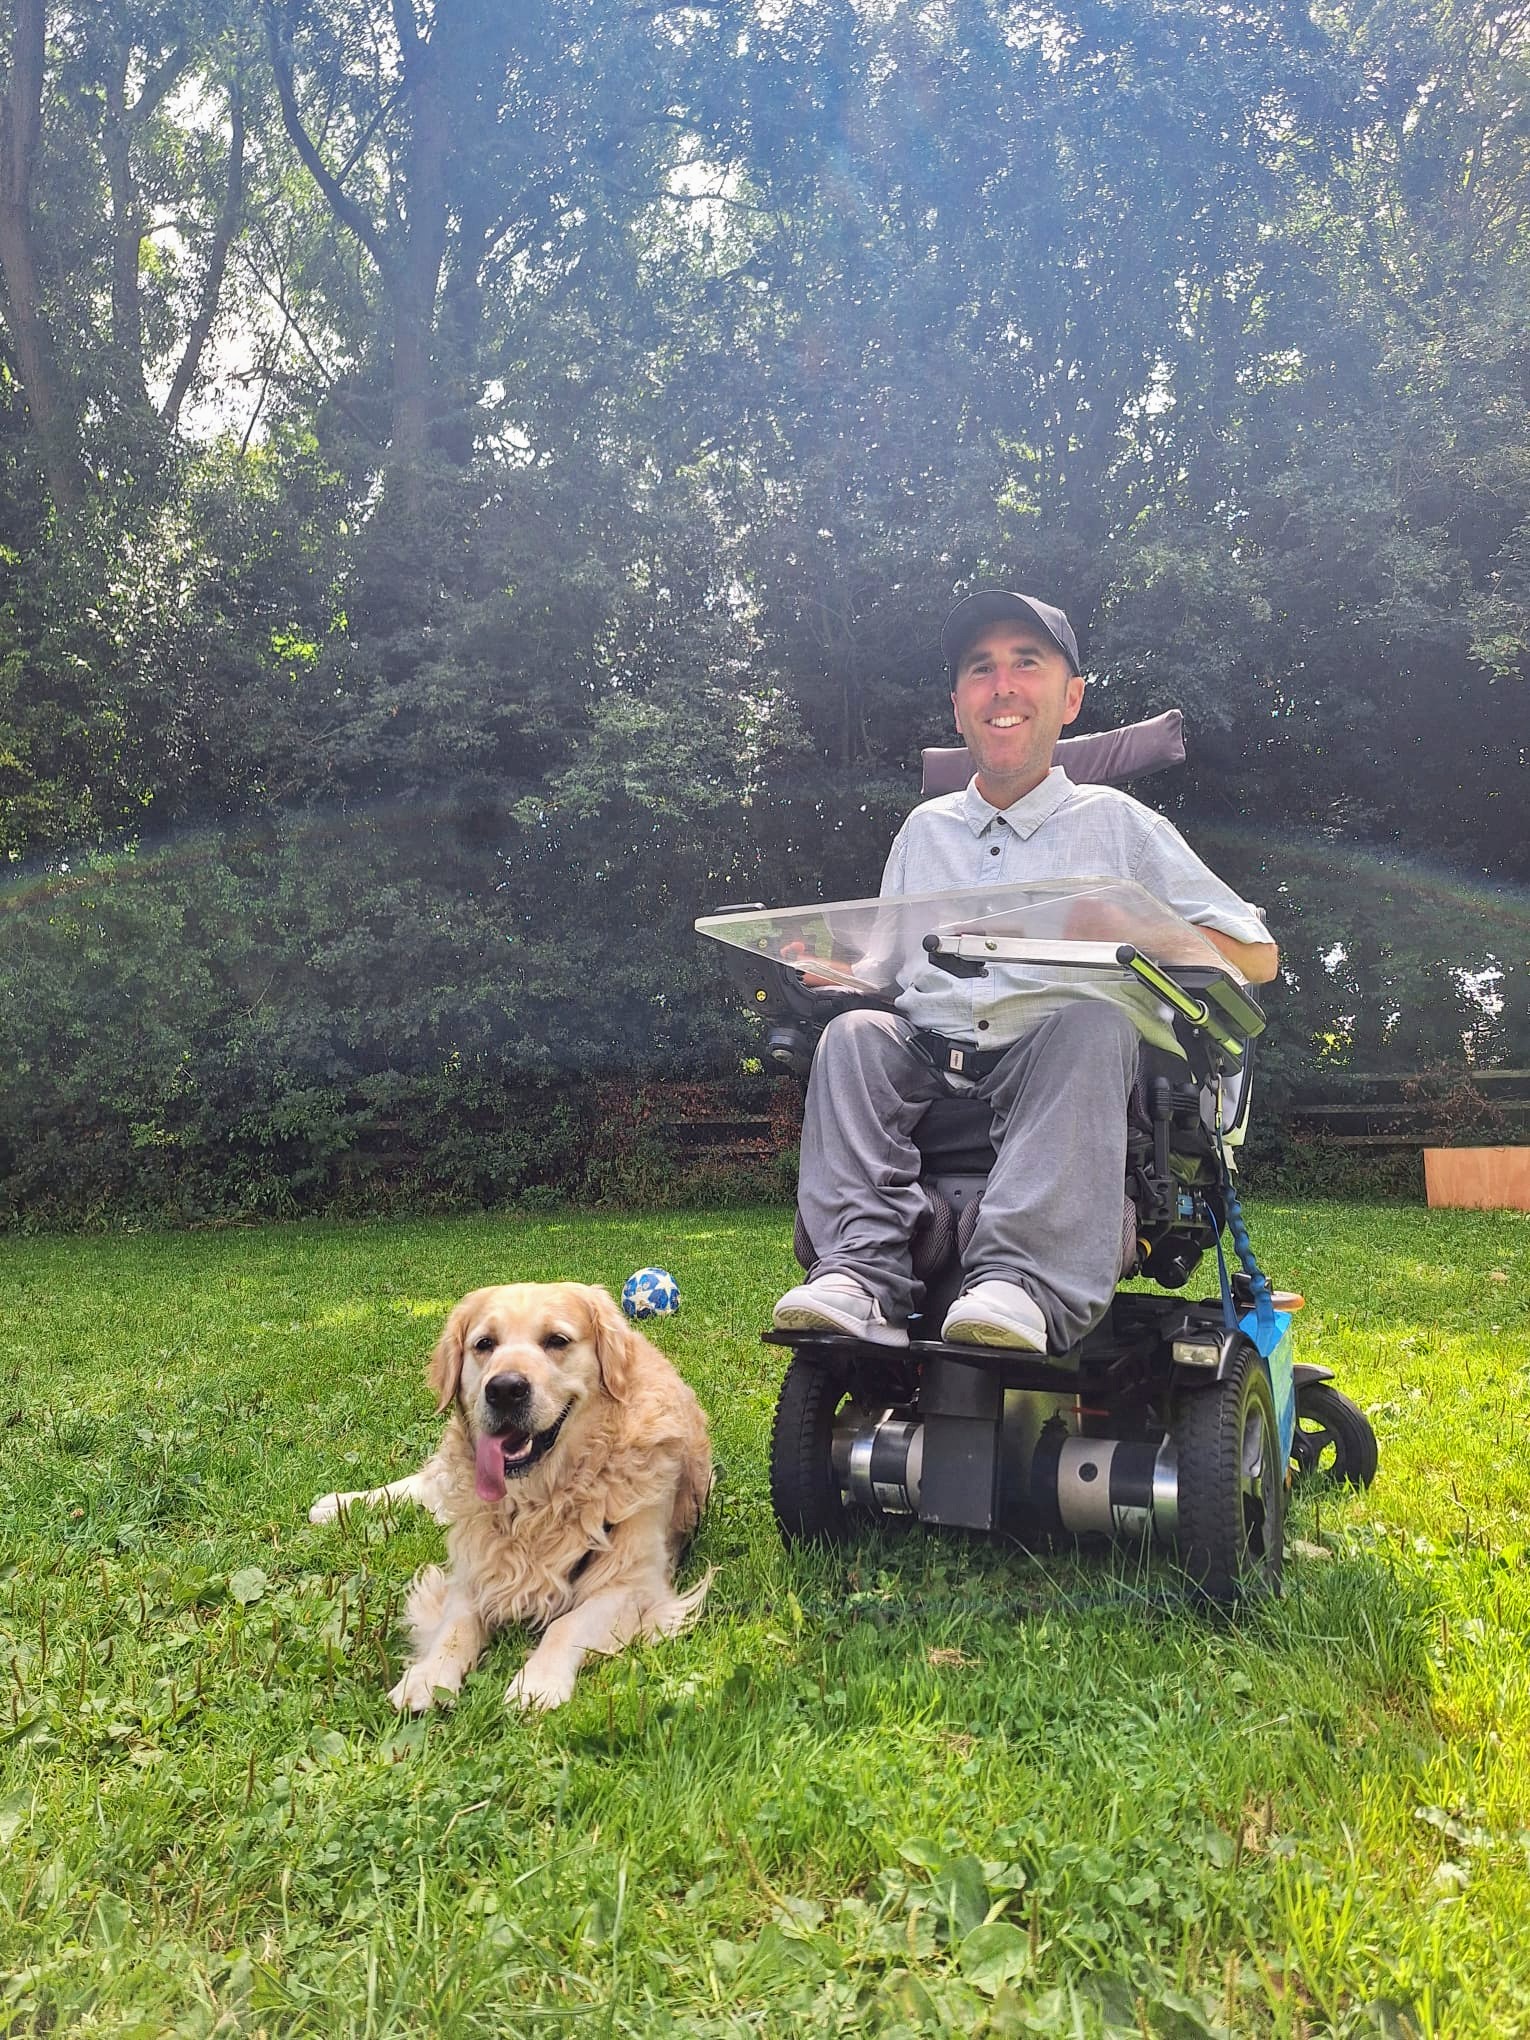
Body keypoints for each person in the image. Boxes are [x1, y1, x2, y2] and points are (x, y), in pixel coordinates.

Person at [772, 588, 1280, 1356]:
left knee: (1091, 1020)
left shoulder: (1121, 827)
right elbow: (887, 969)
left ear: (1070, 698)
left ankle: (1020, 1281)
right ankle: (860, 1275)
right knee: (852, 1036)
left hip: (1061, 1068)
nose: (1002, 686)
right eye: (981, 669)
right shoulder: (923, 832)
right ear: (958, 706)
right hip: (934, 1065)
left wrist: (1138, 926)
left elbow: (1257, 955)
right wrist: (839, 974)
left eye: (1026, 664)